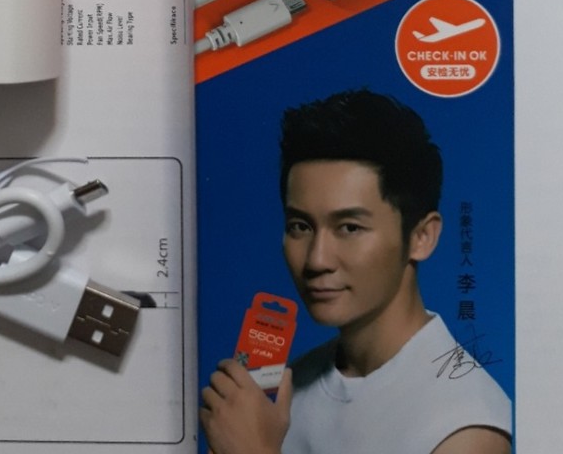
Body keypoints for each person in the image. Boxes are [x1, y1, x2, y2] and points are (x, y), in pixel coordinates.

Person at [200, 90, 512, 454]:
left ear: (422, 237)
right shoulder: (289, 387)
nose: (317, 260)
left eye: (349, 227)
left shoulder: (466, 426)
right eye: (300, 226)